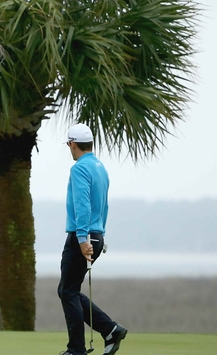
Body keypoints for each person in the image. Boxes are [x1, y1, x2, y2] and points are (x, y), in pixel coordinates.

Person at [58, 123, 127, 355]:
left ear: (73, 144)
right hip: (96, 235)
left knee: (67, 291)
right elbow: (104, 206)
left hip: (83, 236)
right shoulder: (100, 167)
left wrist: (81, 238)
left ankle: (76, 349)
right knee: (71, 290)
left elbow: (83, 205)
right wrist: (99, 235)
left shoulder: (79, 168)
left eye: (69, 144)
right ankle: (111, 330)